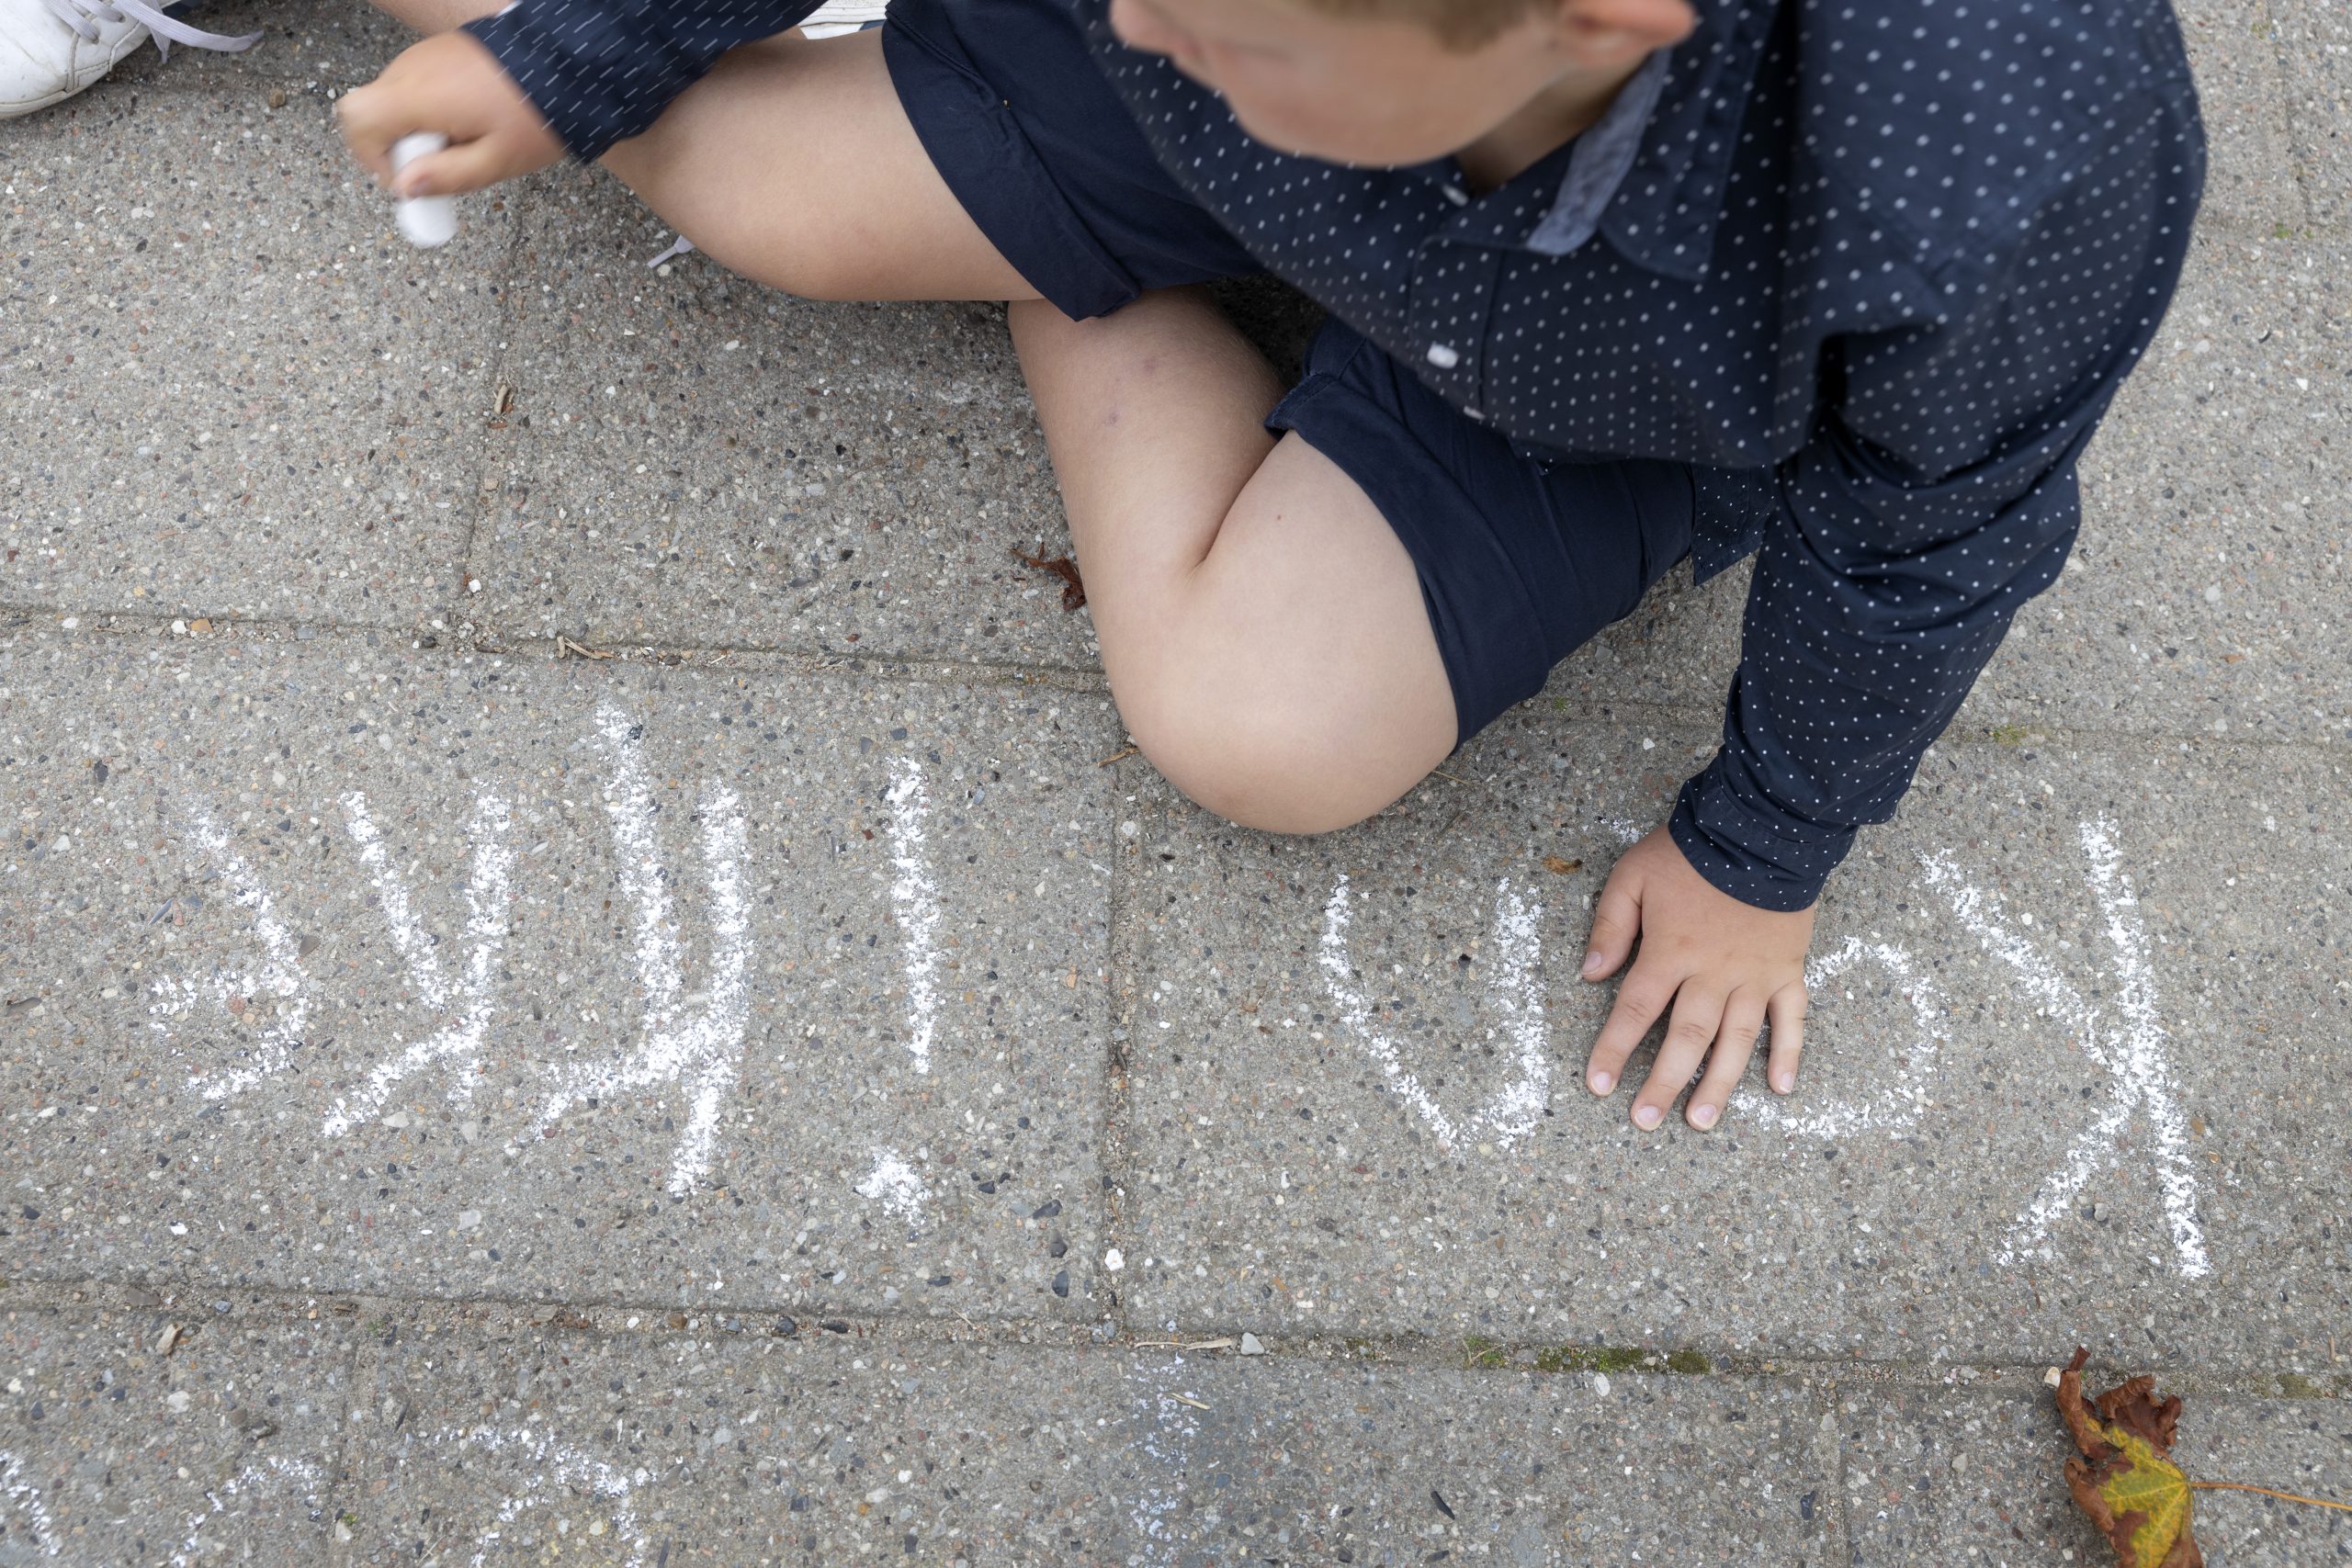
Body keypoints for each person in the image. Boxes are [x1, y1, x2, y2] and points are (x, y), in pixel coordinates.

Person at [15, 0, 2207, 1134]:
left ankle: (1070, 279)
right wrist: (580, 53)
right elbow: (1171, 40)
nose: (1144, 14)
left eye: (1223, 18)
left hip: (1602, 380)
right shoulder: (1187, 30)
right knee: (674, 152)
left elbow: (1931, 527)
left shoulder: (1981, 163)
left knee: (1259, 724)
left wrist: (1762, 849)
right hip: (1274, 157)